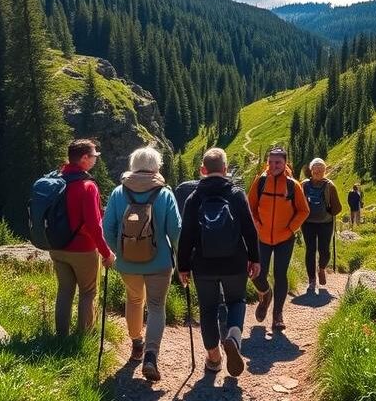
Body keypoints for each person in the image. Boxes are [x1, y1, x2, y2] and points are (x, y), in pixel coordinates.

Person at [178, 148, 260, 376]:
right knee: (236, 300)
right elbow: (249, 230)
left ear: (203, 170)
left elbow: (186, 236)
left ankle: (213, 357)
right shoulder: (235, 194)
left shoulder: (194, 198)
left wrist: (182, 266)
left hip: (203, 266)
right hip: (234, 262)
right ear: (225, 170)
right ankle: (233, 336)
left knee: (208, 309)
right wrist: (255, 258)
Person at [103, 146, 181, 382]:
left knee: (134, 300)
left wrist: (120, 252)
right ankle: (150, 356)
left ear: (133, 166)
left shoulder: (118, 193)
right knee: (156, 306)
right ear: (156, 167)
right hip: (159, 263)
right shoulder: (164, 193)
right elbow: (176, 231)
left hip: (128, 264)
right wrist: (181, 257)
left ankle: (137, 343)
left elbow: (107, 229)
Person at [50, 139, 115, 337]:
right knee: (88, 292)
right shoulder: (88, 186)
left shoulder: (56, 181)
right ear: (84, 158)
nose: (96, 159)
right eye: (94, 156)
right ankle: (84, 338)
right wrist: (107, 253)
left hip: (57, 247)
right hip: (82, 250)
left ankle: (61, 337)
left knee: (64, 291)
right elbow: (94, 226)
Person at [248, 146, 309, 331]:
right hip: (262, 237)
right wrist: (256, 223)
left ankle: (277, 316)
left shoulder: (293, 185)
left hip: (285, 238)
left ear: (285, 163)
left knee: (280, 275)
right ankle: (265, 295)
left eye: (278, 162)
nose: (274, 166)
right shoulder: (260, 182)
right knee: (257, 274)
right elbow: (249, 206)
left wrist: (291, 229)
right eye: (271, 162)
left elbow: (304, 211)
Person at [301, 158, 342, 293]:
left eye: (320, 169)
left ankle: (321, 269)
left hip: (323, 223)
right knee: (312, 250)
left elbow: (337, 207)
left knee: (322, 250)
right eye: (315, 169)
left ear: (325, 171)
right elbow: (336, 209)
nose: (318, 171)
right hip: (310, 223)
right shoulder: (304, 185)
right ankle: (312, 280)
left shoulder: (330, 186)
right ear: (311, 170)